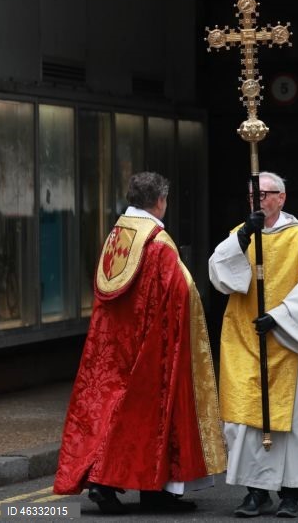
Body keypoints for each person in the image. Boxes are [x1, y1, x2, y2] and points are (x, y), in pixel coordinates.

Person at [54, 172, 226, 514]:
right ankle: (132, 488)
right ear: (160, 201)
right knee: (147, 417)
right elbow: (180, 292)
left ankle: (123, 487)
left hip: (111, 347)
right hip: (149, 346)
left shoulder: (117, 235)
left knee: (108, 412)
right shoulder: (158, 242)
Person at [209, 171, 298, 518]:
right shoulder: (241, 233)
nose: (256, 200)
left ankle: (291, 494)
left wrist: (279, 317)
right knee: (246, 421)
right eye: (252, 195)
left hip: (290, 342)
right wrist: (243, 236)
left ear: (281, 198)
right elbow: (219, 273)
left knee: (292, 423)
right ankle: (256, 492)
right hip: (245, 338)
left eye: (263, 194)